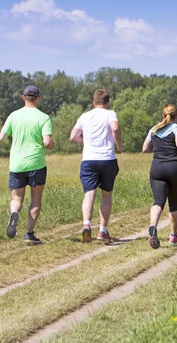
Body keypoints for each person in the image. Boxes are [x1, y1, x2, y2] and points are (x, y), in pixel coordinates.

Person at [0, 86, 54, 245]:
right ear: (38, 98)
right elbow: (47, 142)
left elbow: (0, 137)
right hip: (36, 163)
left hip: (17, 164)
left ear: (23, 97)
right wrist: (50, 145)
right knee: (36, 198)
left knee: (16, 198)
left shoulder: (13, 115)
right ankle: (29, 234)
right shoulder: (44, 117)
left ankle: (14, 213)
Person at [70, 89, 122, 244]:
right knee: (106, 195)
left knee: (89, 194)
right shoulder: (110, 114)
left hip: (88, 160)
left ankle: (86, 224)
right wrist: (118, 145)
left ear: (94, 103)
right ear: (108, 102)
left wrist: (86, 141)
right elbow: (115, 128)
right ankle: (102, 231)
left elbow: (73, 136)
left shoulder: (85, 116)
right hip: (107, 159)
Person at [142, 104, 177, 249]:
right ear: (176, 116)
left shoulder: (154, 129)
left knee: (158, 201)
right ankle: (173, 235)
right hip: (174, 167)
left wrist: (157, 150)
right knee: (173, 202)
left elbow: (145, 148)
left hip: (157, 167)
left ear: (163, 115)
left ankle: (153, 226)